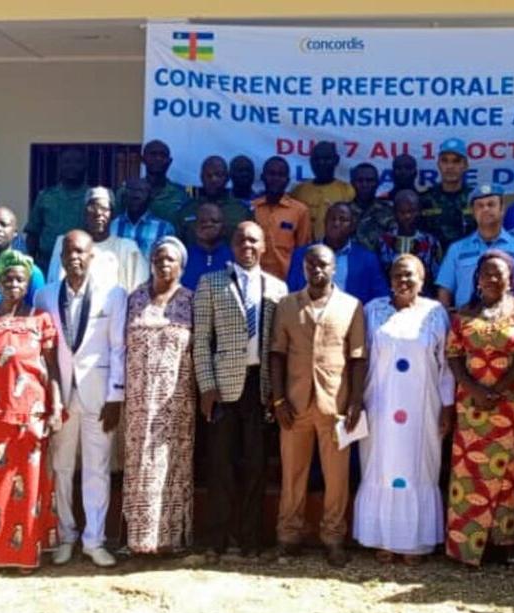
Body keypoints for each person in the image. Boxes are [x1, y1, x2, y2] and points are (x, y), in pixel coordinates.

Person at [193, 222, 287, 561]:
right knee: (220, 465)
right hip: (222, 387)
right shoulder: (210, 282)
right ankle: (217, 539)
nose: (246, 245)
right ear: (231, 246)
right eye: (240, 240)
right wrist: (207, 386)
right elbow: (201, 340)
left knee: (256, 466)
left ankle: (250, 539)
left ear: (263, 246)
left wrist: (276, 393)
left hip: (259, 386)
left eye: (253, 240)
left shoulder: (277, 287)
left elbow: (279, 344)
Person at [270, 244, 366, 567]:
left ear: (334, 268)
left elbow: (358, 357)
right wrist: (279, 398)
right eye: (311, 264)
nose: (317, 269)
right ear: (303, 268)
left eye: (323, 264)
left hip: (336, 404)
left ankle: (334, 537)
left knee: (336, 478)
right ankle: (289, 535)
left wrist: (355, 401)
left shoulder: (351, 306)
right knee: (292, 475)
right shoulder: (287, 305)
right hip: (294, 405)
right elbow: (277, 354)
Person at [354, 255, 453, 564]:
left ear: (422, 280)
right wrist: (355, 400)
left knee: (419, 468)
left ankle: (414, 543)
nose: (403, 280)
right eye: (397, 275)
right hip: (380, 405)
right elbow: (360, 358)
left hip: (423, 407)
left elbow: (446, 364)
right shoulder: (373, 310)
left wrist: (447, 407)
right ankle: (382, 538)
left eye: (410, 275)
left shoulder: (435, 313)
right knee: (380, 466)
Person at [35, 230, 125, 568]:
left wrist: (116, 395)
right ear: (61, 257)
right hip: (60, 396)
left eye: (81, 252)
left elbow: (118, 348)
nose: (74, 257)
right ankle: (65, 536)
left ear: (91, 256)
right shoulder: (45, 295)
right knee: (60, 468)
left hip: (99, 396)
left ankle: (94, 540)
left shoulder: (113, 294)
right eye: (69, 252)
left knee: (97, 469)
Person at [0, 249, 62, 570]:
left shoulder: (40, 319)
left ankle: (25, 556)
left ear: (27, 284)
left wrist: (56, 407)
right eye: (7, 279)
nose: (13, 284)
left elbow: (52, 369)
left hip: (30, 414)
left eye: (20, 280)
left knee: (29, 485)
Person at [445, 251, 514, 567]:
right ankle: (466, 546)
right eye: (486, 273)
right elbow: (454, 356)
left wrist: (498, 389)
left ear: (511, 279)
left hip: (509, 404)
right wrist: (475, 389)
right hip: (471, 408)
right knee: (469, 474)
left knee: (511, 474)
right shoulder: (464, 314)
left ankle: (508, 543)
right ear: (477, 278)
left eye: (499, 273)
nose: (492, 278)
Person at [122, 236, 196, 554]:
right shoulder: (134, 299)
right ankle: (138, 539)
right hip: (139, 400)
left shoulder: (190, 301)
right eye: (159, 258)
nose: (164, 264)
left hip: (176, 400)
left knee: (173, 465)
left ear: (181, 266)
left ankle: (171, 539)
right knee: (140, 463)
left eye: (170, 259)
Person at [437, 184, 514, 309]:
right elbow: (444, 294)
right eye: (480, 206)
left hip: (511, 318)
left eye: (491, 204)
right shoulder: (456, 249)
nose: (485, 209)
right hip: (467, 318)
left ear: (502, 208)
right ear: (473, 212)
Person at [48, 187, 148, 294]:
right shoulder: (67, 244)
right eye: (93, 207)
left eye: (104, 208)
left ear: (112, 215)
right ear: (84, 212)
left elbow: (140, 291)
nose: (98, 213)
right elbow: (54, 286)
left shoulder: (127, 248)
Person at [286, 203, 388, 305]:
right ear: (325, 223)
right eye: (332, 219)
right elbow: (292, 292)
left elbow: (380, 298)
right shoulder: (302, 254)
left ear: (352, 227)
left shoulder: (367, 259)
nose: (336, 223)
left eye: (343, 220)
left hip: (350, 313)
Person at [24, 146, 88, 274]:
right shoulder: (45, 196)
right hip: (46, 264)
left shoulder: (91, 197)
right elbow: (33, 233)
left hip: (81, 264)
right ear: (60, 166)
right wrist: (30, 263)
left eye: (77, 162)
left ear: (85, 166)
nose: (72, 166)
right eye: (67, 162)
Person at [252, 156, 312, 280]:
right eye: (271, 174)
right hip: (255, 279)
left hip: (286, 281)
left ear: (287, 180)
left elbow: (303, 251)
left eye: (281, 175)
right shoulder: (252, 208)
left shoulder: (300, 211)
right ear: (263, 177)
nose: (276, 179)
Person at [176, 156, 252, 244]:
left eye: (218, 175)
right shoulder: (186, 210)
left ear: (227, 178)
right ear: (202, 178)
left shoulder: (241, 211)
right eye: (209, 176)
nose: (213, 180)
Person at [376, 189, 443, 289]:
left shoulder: (430, 242)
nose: (407, 216)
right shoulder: (383, 241)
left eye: (412, 211)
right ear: (394, 213)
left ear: (419, 212)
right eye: (402, 212)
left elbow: (437, 278)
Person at [290, 141, 355, 240]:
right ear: (311, 162)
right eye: (317, 159)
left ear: (336, 160)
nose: (321, 163)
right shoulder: (298, 191)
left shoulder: (347, 190)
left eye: (326, 159)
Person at [115, 140, 190, 226]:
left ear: (169, 161)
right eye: (153, 155)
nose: (158, 159)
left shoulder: (180, 194)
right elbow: (116, 221)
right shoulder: (127, 191)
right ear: (143, 159)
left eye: (163, 155)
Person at [420, 138, 473, 252]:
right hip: (434, 260)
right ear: (438, 164)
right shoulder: (425, 200)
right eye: (445, 161)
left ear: (465, 165)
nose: (450, 166)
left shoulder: (475, 199)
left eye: (456, 161)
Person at [109, 178, 176, 256]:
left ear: (150, 196)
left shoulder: (164, 229)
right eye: (131, 190)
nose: (136, 195)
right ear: (124, 196)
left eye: (141, 191)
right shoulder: (112, 226)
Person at [181, 202, 235, 292]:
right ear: (195, 226)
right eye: (202, 221)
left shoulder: (234, 257)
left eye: (214, 221)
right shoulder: (183, 258)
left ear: (224, 227)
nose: (208, 224)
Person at [350, 163, 394, 252]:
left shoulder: (390, 211)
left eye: (370, 180)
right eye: (360, 180)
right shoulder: (343, 212)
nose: (365, 184)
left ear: (377, 183)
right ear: (352, 183)